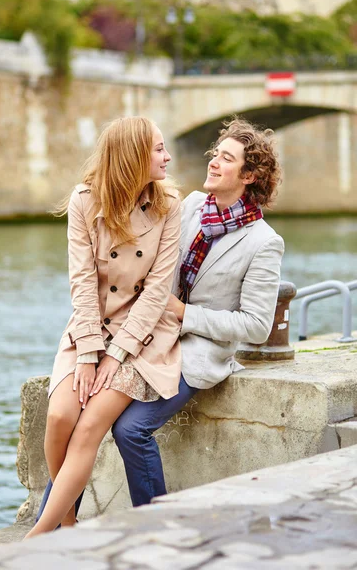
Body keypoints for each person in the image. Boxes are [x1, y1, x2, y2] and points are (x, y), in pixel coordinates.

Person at [36, 116, 284, 518]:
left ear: (250, 175)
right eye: (214, 154)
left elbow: (256, 326)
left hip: (196, 348)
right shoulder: (188, 206)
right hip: (146, 328)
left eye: (226, 158)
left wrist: (186, 314)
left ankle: (155, 526)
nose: (213, 162)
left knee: (129, 429)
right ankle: (56, 523)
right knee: (74, 410)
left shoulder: (264, 242)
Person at [24, 116, 182, 538]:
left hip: (142, 335)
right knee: (59, 416)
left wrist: (116, 354)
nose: (168, 158)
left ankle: (37, 535)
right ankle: (69, 520)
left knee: (90, 426)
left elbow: (155, 292)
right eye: (159, 149)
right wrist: (90, 352)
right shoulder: (84, 201)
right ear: (132, 156)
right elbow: (80, 283)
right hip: (89, 325)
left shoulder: (168, 204)